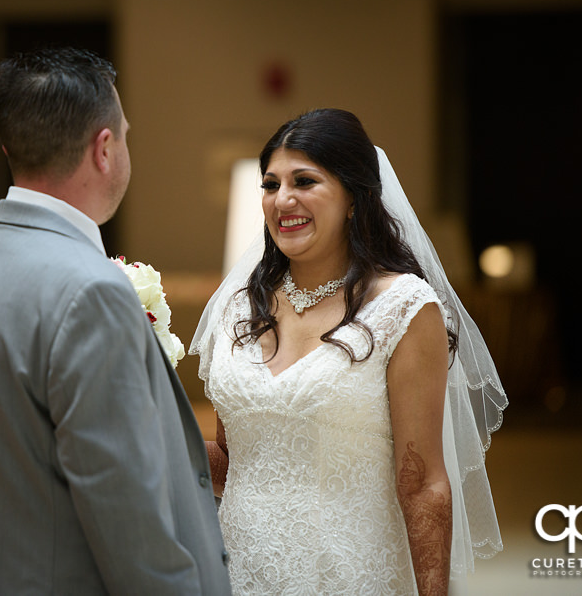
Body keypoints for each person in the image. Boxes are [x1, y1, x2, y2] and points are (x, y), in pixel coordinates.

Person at [0, 47, 231, 595]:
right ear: (104, 149)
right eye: (125, 135)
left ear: (11, 146)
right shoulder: (90, 292)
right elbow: (129, 519)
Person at [191, 108, 507, 596]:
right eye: (271, 184)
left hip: (349, 575)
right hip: (242, 573)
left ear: (355, 199)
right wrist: (152, 433)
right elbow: (238, 458)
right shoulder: (241, 308)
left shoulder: (402, 307)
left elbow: (422, 483)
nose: (283, 200)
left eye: (304, 181)